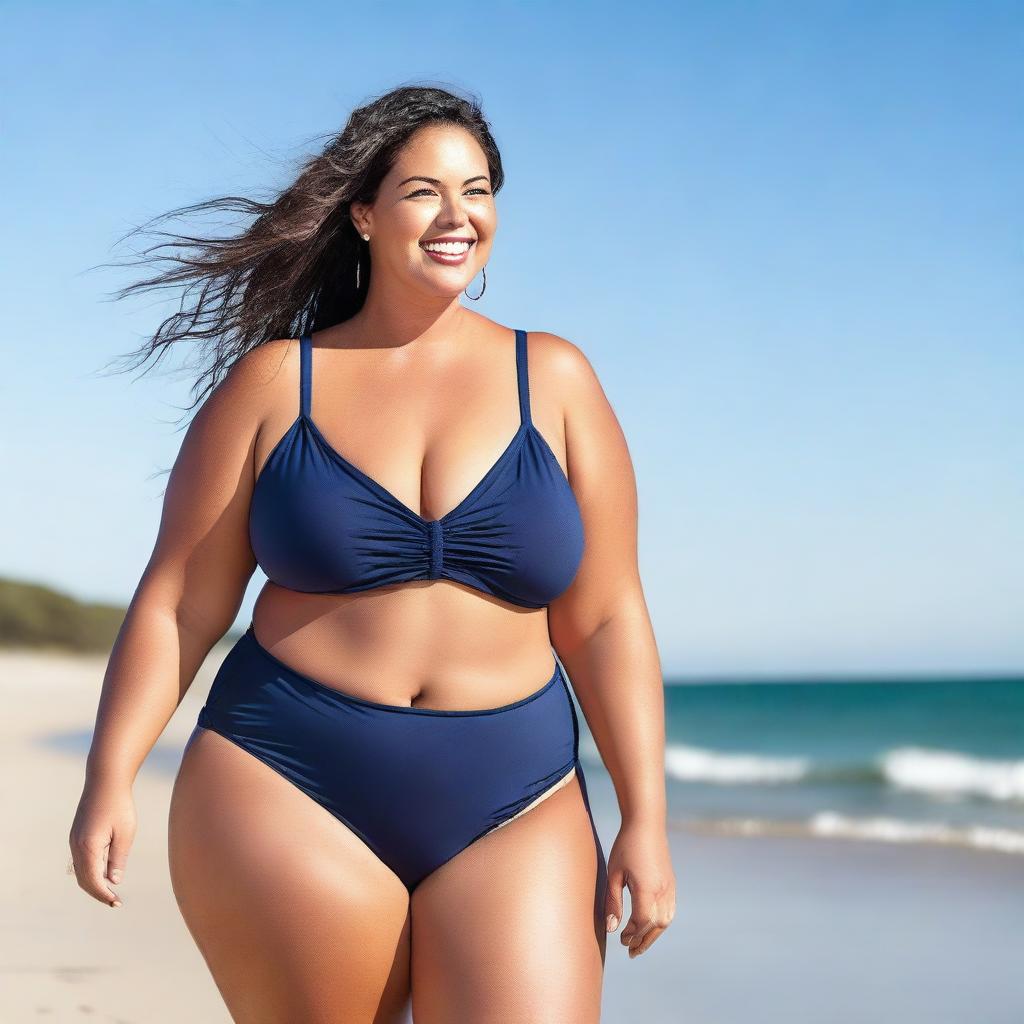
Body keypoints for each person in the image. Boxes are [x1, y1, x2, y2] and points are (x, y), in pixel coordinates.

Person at [69, 83, 674, 1023]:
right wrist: (110, 775)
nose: (457, 215)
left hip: (517, 790)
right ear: (362, 214)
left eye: (478, 191)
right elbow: (181, 601)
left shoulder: (554, 378)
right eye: (423, 190)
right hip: (290, 774)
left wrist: (646, 816)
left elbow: (604, 616)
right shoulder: (276, 383)